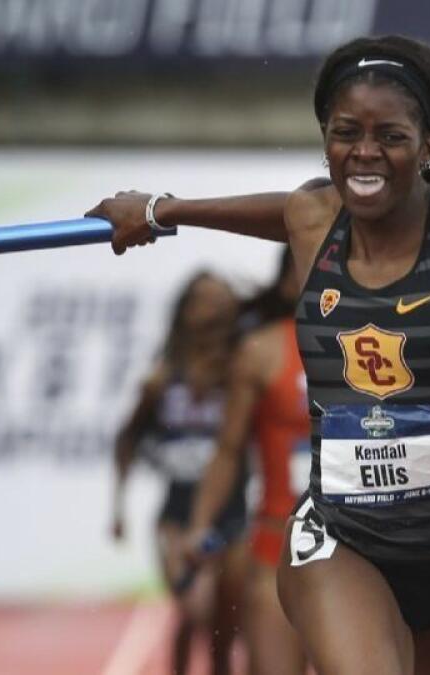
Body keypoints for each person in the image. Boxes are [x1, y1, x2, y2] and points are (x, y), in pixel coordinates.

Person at [89, 34, 430, 675]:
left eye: (391, 136)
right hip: (341, 537)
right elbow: (277, 212)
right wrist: (158, 211)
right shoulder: (313, 215)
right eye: (345, 133)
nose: (364, 154)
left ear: (429, 143)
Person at [110, 272, 247, 675]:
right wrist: (117, 508)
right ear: (184, 311)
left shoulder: (242, 369)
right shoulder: (162, 376)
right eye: (201, 301)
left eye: (218, 301)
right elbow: (128, 439)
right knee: (195, 609)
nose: (210, 311)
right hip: (178, 512)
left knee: (225, 626)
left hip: (235, 510)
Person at [182, 247, 311, 675]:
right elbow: (228, 450)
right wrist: (200, 524)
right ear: (289, 280)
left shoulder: (376, 346)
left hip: (361, 553)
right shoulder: (260, 350)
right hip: (278, 545)